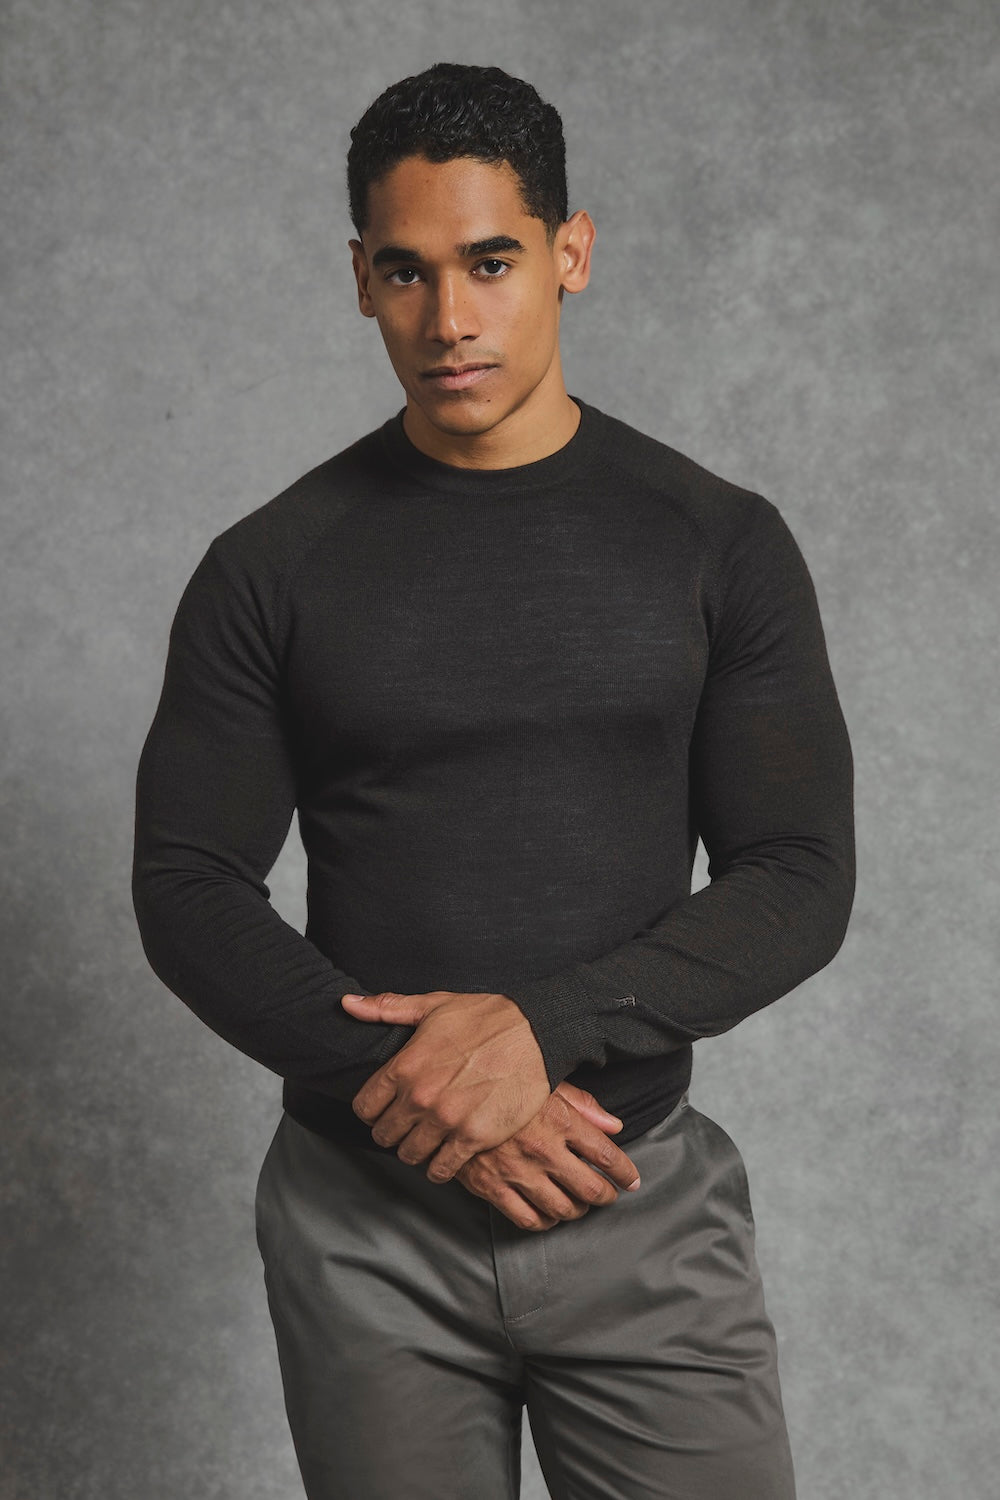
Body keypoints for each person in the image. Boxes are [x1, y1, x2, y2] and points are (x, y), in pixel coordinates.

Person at [132, 61, 854, 1500]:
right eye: (406, 271)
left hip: (632, 1193)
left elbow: (799, 876)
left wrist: (541, 1031)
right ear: (359, 279)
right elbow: (187, 884)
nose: (448, 318)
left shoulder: (718, 543)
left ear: (570, 253)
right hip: (365, 1224)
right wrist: (422, 1095)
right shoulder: (268, 568)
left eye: (491, 262)